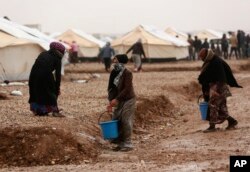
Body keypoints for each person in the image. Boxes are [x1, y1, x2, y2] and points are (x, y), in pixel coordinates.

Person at [198, 48, 242, 133]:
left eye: (202, 57)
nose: (202, 59)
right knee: (221, 107)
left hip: (219, 88)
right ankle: (232, 121)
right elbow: (207, 77)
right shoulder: (210, 61)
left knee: (213, 105)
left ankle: (212, 126)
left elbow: (220, 78)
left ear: (206, 55)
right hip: (217, 88)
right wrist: (207, 90)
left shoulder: (216, 62)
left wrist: (215, 91)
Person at [107, 54, 136, 151]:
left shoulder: (127, 73)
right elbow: (111, 88)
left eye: (115, 59)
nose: (113, 61)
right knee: (116, 119)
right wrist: (110, 101)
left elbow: (127, 89)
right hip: (119, 99)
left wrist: (117, 99)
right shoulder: (114, 72)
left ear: (121, 61)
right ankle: (119, 143)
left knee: (125, 120)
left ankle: (128, 143)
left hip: (128, 99)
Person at [29, 42, 65, 117]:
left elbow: (36, 65)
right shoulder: (57, 58)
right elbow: (58, 74)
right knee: (51, 92)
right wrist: (57, 87)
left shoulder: (43, 53)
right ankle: (55, 111)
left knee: (36, 91)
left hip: (33, 74)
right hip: (46, 75)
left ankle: (39, 111)